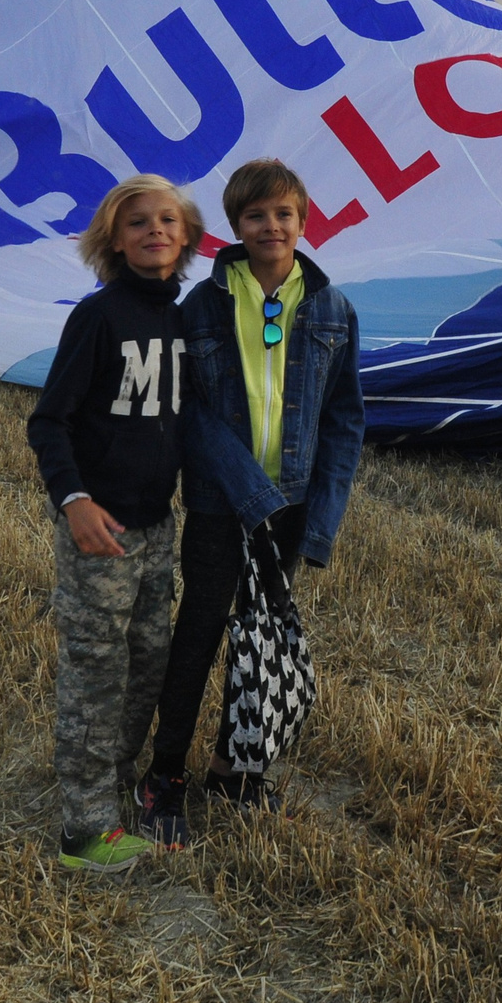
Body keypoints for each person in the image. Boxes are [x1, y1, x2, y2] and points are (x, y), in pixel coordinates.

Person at [143, 158, 363, 825]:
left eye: (283, 213)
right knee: (199, 634)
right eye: (255, 215)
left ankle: (232, 769)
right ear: (236, 226)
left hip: (289, 506)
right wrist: (246, 488)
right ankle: (165, 774)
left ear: (303, 219)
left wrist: (320, 520)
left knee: (261, 641)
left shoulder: (332, 309)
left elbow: (344, 420)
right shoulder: (202, 307)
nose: (271, 225)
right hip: (219, 503)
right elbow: (187, 410)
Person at [26, 174, 205, 873]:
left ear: (187, 237)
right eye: (137, 222)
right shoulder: (98, 318)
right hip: (101, 532)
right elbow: (49, 422)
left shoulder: (183, 321)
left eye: (167, 220)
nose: (154, 230)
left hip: (157, 529)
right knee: (97, 674)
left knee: (148, 667)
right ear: (114, 242)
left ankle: (112, 785)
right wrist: (73, 501)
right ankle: (84, 831)